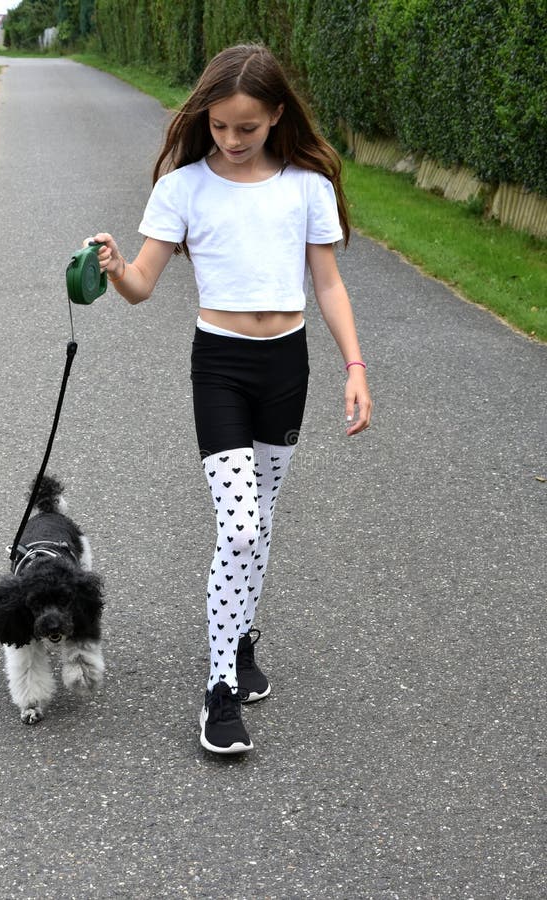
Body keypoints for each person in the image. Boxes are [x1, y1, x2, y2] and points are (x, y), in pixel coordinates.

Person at [86, 44, 372, 755]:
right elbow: (145, 283)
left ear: (277, 115)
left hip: (288, 366)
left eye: (246, 127)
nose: (232, 140)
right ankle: (219, 689)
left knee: (263, 520)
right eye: (219, 127)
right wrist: (120, 269)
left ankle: (241, 635)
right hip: (219, 364)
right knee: (240, 526)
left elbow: (328, 284)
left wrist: (356, 365)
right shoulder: (184, 188)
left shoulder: (306, 186)